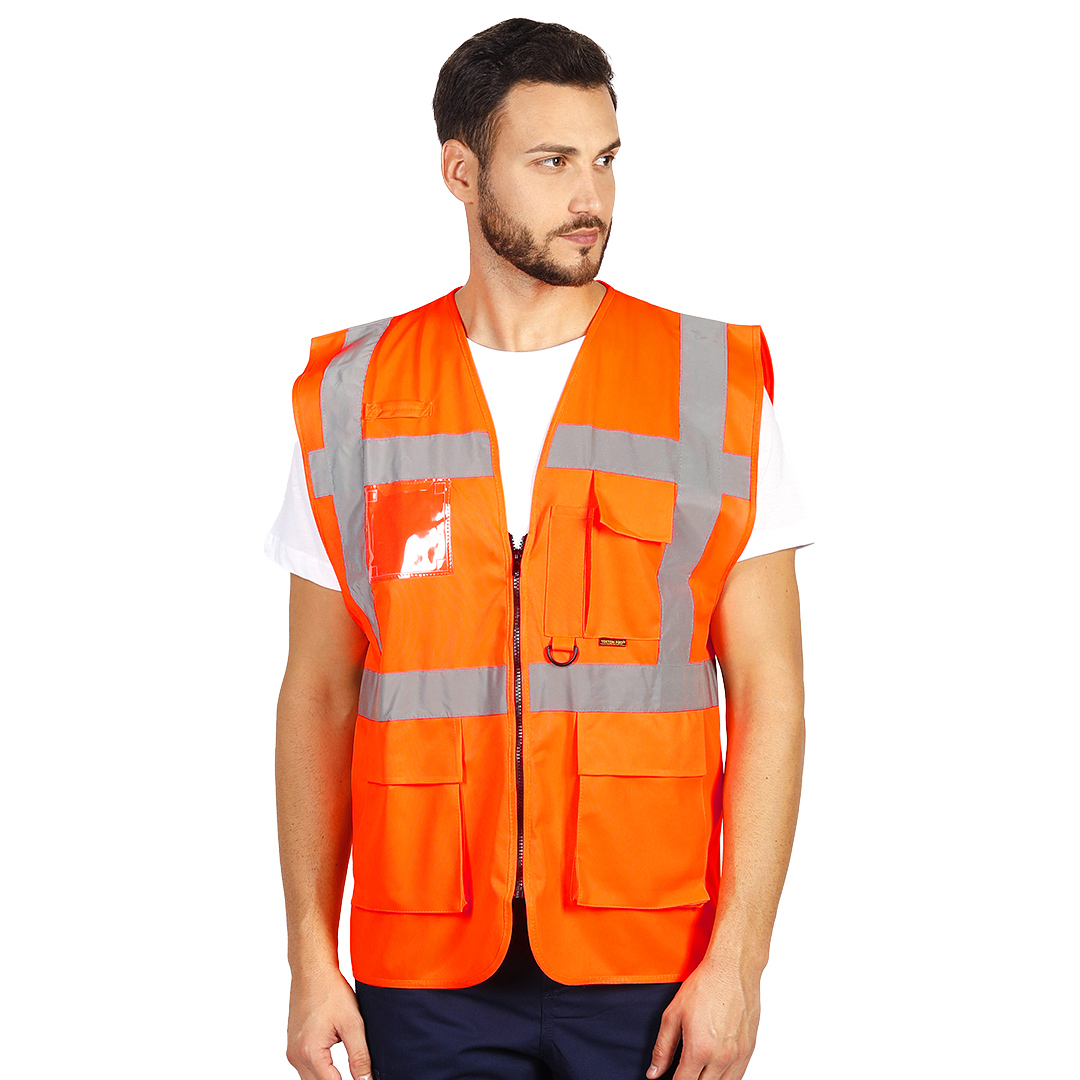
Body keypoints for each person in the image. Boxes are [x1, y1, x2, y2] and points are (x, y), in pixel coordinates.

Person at [267, 18, 810, 1080]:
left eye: (605, 159)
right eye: (553, 162)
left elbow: (772, 694)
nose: (590, 197)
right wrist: (308, 958)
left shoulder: (713, 386)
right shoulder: (354, 396)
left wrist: (739, 964)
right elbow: (318, 694)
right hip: (423, 968)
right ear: (461, 172)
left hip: (653, 964)